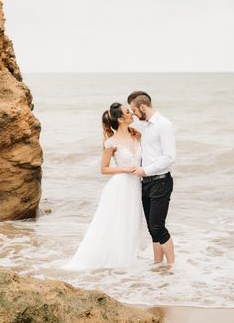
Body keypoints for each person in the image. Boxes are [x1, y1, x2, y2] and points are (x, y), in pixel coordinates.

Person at [64, 102, 142, 270]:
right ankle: (113, 261)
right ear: (120, 119)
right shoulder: (111, 143)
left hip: (135, 187)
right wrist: (124, 169)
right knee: (114, 222)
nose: (132, 114)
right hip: (120, 186)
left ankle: (127, 261)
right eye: (128, 112)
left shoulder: (137, 136)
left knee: (131, 222)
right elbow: (103, 169)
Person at [128, 92, 176, 265]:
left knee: (158, 226)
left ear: (142, 107)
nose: (133, 114)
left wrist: (145, 170)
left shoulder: (164, 125)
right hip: (146, 182)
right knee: (151, 228)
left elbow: (170, 157)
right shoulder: (146, 127)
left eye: (134, 110)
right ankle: (157, 265)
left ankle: (171, 266)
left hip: (161, 181)